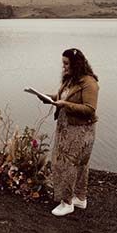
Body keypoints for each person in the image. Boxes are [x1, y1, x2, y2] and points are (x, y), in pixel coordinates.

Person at [42, 48, 99, 217]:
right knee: (75, 164)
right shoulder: (70, 80)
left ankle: (66, 203)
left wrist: (65, 105)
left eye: (66, 64)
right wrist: (48, 98)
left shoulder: (89, 83)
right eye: (63, 63)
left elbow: (89, 109)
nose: (64, 67)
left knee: (68, 165)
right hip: (66, 129)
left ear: (76, 63)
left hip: (80, 131)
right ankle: (80, 198)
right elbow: (64, 98)